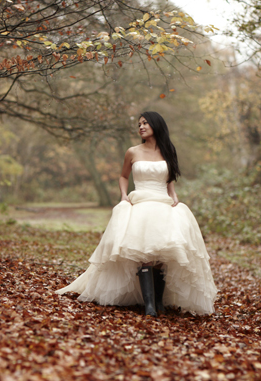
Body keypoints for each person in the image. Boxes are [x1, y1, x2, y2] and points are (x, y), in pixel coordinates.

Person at [56, 111, 217, 317]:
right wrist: (124, 195)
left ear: (156, 125)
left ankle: (159, 302)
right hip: (140, 202)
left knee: (162, 253)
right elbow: (124, 176)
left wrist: (173, 194)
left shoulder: (168, 150)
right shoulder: (132, 151)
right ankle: (149, 305)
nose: (141, 127)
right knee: (144, 254)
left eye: (145, 123)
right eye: (139, 124)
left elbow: (169, 178)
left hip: (163, 203)